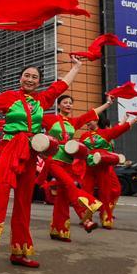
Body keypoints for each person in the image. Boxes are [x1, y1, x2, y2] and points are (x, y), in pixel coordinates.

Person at [0, 57, 84, 268]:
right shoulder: (9, 97)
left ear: (39, 82)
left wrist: (76, 67)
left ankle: (19, 251)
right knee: (1, 193)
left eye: (34, 77)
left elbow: (61, 86)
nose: (30, 80)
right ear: (20, 78)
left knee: (23, 200)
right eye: (27, 76)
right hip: (9, 149)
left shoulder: (42, 100)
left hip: (30, 152)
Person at [39, 94, 112, 241]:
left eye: (70, 103)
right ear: (58, 105)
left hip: (67, 162)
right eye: (65, 103)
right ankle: (86, 217)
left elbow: (90, 114)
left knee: (63, 196)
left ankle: (59, 230)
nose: (68, 105)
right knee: (69, 185)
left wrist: (108, 104)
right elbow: (32, 121)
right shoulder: (49, 119)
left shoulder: (73, 122)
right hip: (53, 160)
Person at [79, 113, 137, 228]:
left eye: (90, 120)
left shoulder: (105, 133)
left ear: (97, 120)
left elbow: (120, 129)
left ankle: (106, 217)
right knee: (86, 192)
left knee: (106, 192)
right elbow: (81, 151)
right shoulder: (83, 136)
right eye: (86, 120)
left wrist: (135, 119)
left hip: (103, 167)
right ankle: (86, 218)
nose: (88, 122)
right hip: (89, 167)